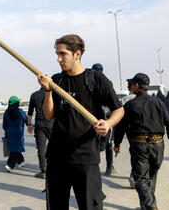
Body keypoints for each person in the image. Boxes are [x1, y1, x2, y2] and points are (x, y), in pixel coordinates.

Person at [37, 34, 124, 210]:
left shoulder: (95, 79)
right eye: (57, 54)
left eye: (63, 54)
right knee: (56, 205)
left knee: (89, 205)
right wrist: (47, 90)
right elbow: (49, 115)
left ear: (77, 54)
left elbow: (119, 109)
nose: (58, 59)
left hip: (85, 156)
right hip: (57, 156)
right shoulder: (57, 80)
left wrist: (107, 124)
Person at [114, 73, 169, 210]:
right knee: (151, 176)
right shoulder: (159, 103)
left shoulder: (130, 105)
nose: (130, 87)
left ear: (136, 86)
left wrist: (117, 144)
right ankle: (146, 206)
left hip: (140, 146)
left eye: (131, 84)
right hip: (158, 145)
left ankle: (150, 206)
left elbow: (121, 126)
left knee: (140, 179)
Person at [91, 63, 118, 176]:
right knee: (108, 144)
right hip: (106, 116)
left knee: (93, 143)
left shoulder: (89, 81)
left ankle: (94, 168)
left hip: (94, 116)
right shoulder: (107, 81)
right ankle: (109, 167)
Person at [27, 87, 53, 179]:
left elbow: (30, 112)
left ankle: (44, 171)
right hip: (52, 124)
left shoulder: (34, 95)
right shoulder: (53, 93)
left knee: (41, 148)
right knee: (56, 147)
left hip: (39, 125)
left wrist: (29, 125)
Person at [3, 96, 28, 173]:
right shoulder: (20, 111)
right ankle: (10, 165)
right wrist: (32, 126)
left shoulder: (6, 112)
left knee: (14, 148)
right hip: (19, 133)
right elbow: (27, 121)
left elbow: (4, 126)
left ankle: (21, 161)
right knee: (16, 149)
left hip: (10, 133)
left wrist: (7, 130)